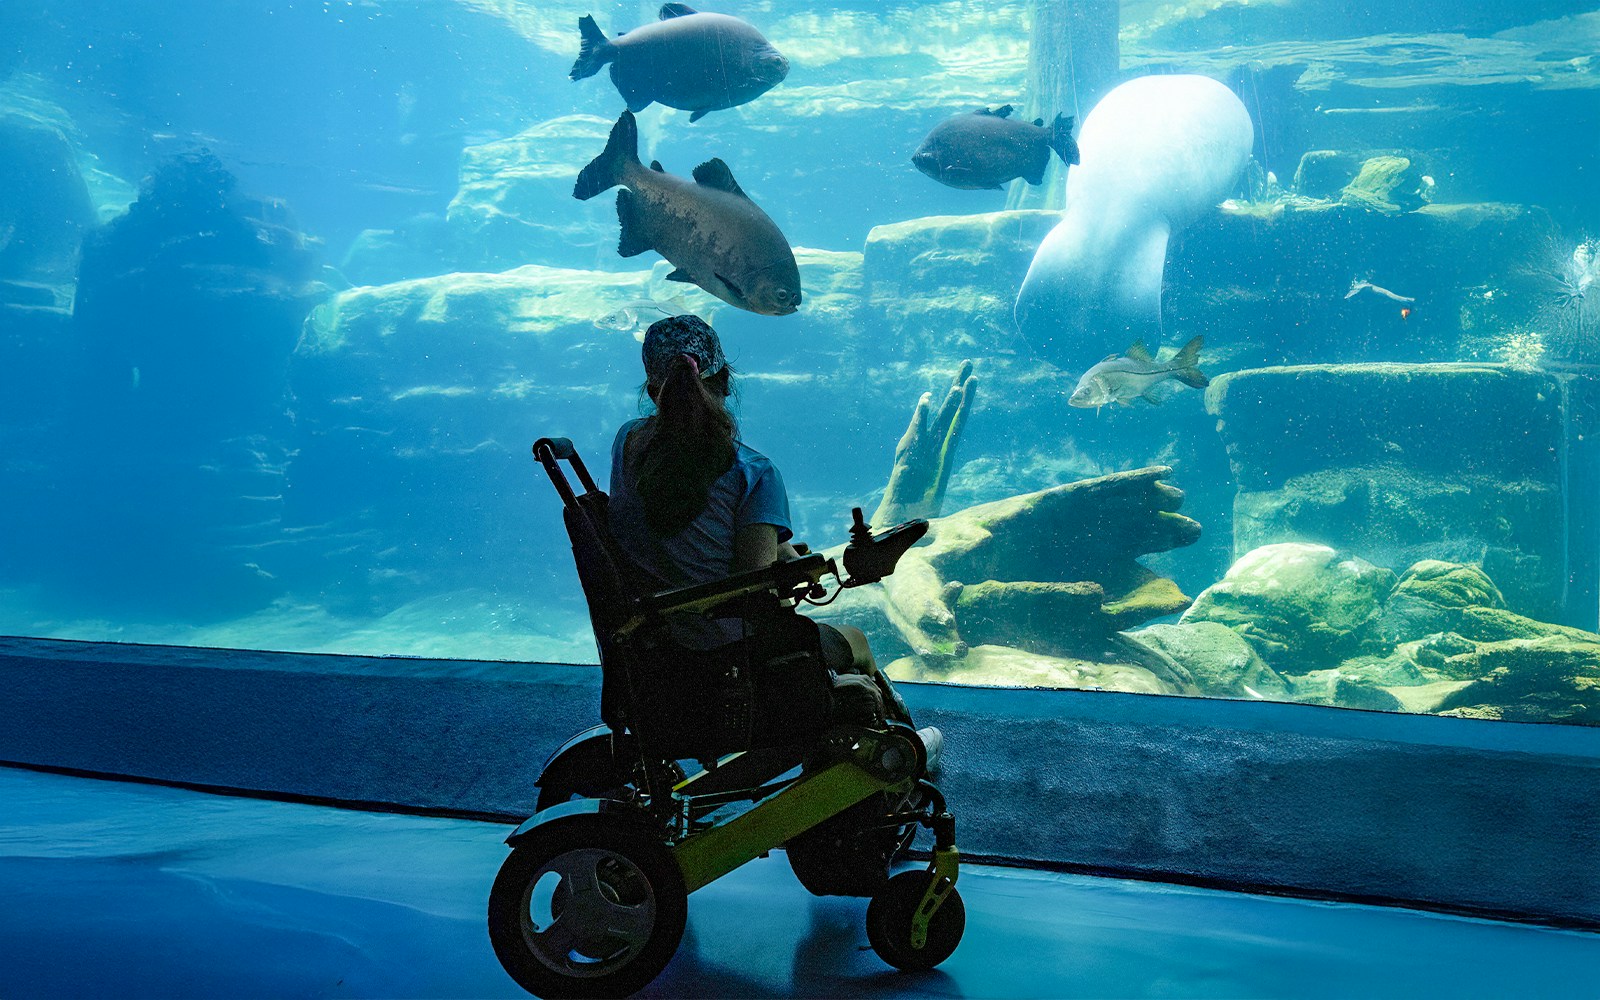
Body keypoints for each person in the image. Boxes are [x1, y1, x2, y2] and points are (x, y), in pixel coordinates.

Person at [607, 314, 911, 725]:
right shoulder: (753, 471)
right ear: (726, 382)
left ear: (651, 389)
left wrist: (777, 549)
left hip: (652, 645)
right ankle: (889, 747)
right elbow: (755, 585)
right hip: (725, 654)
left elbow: (689, 529)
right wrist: (796, 567)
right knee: (856, 642)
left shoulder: (627, 442)